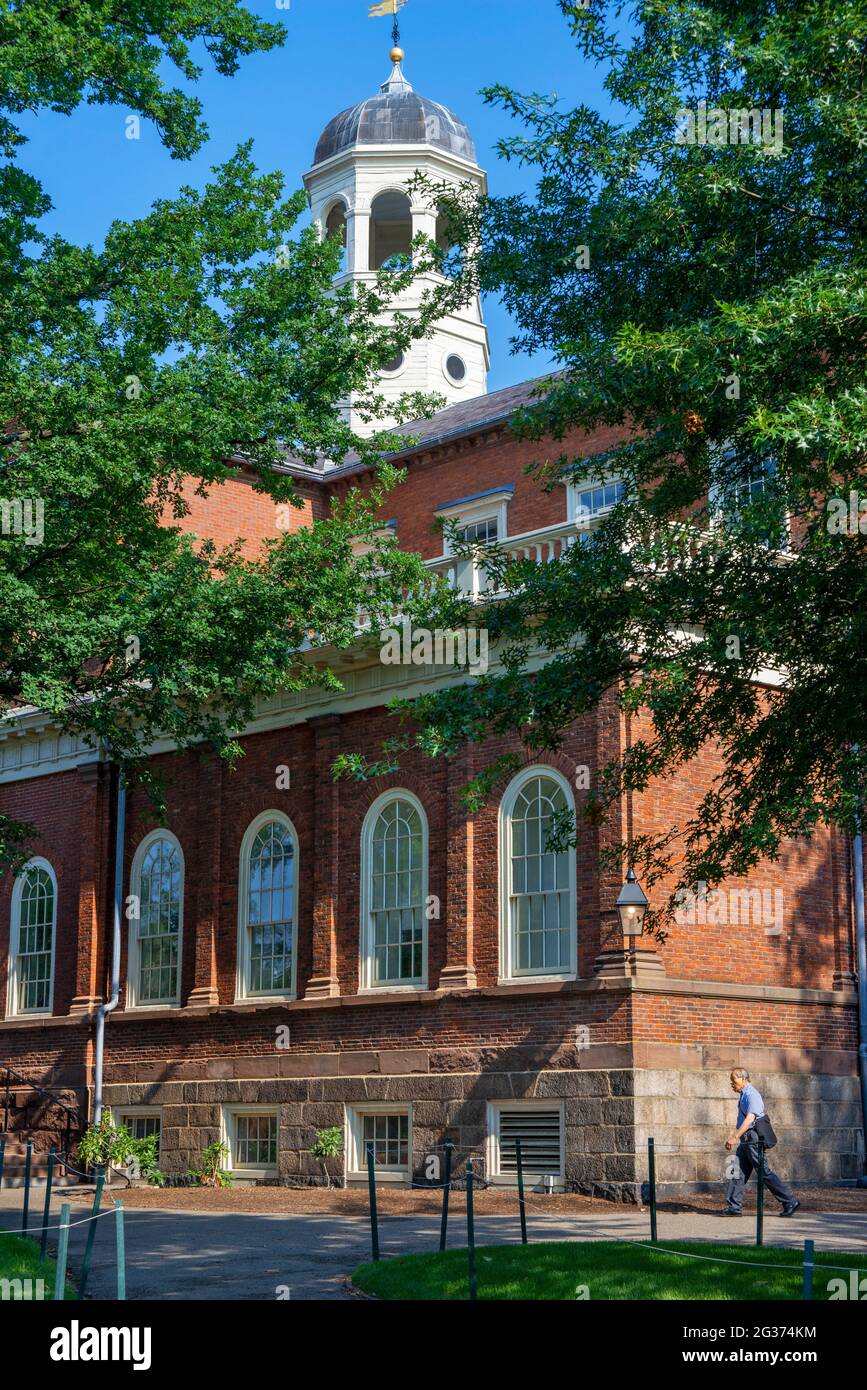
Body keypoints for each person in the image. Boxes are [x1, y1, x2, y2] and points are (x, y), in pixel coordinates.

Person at [723, 1068, 800, 1216]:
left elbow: (750, 1119)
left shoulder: (752, 1095)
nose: (731, 1083)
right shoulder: (744, 1095)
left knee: (764, 1172)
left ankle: (790, 1201)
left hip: (752, 1139)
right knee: (737, 1172)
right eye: (731, 1080)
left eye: (734, 1079)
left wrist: (734, 1136)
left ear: (743, 1079)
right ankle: (733, 1207)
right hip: (746, 1140)